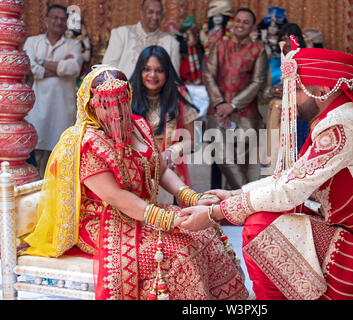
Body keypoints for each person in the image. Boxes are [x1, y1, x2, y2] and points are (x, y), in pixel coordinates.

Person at [180, 38, 353, 300]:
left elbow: (290, 190)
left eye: (296, 89)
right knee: (267, 213)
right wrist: (236, 195)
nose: (291, 100)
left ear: (321, 88)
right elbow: (291, 176)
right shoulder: (339, 117)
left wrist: (215, 214)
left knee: (260, 225)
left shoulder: (343, 126)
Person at [21, 65, 248, 300]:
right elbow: (117, 197)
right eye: (106, 104)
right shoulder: (86, 144)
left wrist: (191, 196)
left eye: (121, 101)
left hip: (141, 214)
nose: (117, 111)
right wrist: (168, 219)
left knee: (206, 233)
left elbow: (160, 169)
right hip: (104, 224)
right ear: (91, 106)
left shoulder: (138, 125)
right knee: (180, 251)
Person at [204, 7, 267, 190]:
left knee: (241, 163)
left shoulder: (258, 50)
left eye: (245, 22)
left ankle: (232, 212)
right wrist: (220, 103)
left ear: (252, 27)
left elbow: (258, 82)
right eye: (238, 21)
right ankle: (247, 199)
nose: (240, 25)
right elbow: (208, 75)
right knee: (222, 156)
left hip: (247, 114)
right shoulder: (220, 46)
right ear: (233, 23)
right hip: (218, 112)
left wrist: (233, 105)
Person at [129, 45, 199, 202]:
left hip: (168, 167)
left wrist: (171, 152)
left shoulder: (178, 95)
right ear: (140, 70)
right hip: (136, 168)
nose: (152, 75)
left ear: (167, 72)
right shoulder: (128, 96)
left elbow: (192, 140)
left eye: (159, 70)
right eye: (147, 69)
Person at [23, 4, 83, 178]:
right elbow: (29, 67)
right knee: (37, 154)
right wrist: (59, 67)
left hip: (63, 110)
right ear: (46, 20)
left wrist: (41, 61)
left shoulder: (74, 44)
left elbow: (73, 68)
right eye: (55, 18)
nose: (59, 22)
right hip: (38, 107)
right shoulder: (33, 41)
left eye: (62, 19)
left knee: (62, 155)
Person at [259, 23, 308, 176]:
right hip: (275, 113)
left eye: (291, 39)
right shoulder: (273, 62)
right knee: (273, 153)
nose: (287, 43)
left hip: (297, 113)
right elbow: (263, 92)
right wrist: (271, 91)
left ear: (299, 40)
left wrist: (289, 91)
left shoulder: (306, 61)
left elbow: (312, 91)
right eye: (284, 39)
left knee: (295, 153)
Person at [102, 0, 180, 78]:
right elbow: (107, 69)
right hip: (123, 88)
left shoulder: (171, 43)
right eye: (150, 12)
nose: (155, 17)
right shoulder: (121, 34)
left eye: (158, 13)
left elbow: (174, 79)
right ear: (142, 13)